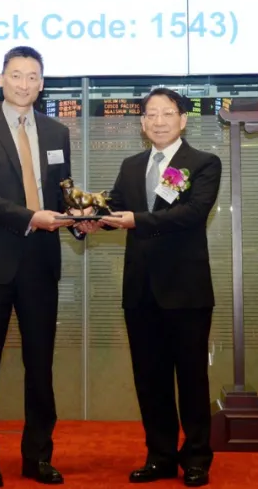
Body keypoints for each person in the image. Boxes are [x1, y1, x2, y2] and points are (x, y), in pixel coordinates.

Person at [81, 87, 221, 487]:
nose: (159, 121)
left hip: (186, 291)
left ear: (182, 119)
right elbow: (114, 208)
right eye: (151, 114)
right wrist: (89, 220)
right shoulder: (131, 166)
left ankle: (196, 457)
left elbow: (193, 213)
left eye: (167, 113)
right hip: (140, 291)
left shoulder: (203, 163)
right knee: (150, 379)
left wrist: (135, 221)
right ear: (142, 123)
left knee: (191, 378)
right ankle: (160, 456)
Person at [0, 46, 79, 487]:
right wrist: (31, 217)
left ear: (41, 84)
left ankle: (38, 456)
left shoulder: (56, 132)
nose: (24, 83)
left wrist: (78, 219)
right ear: (1, 79)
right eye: (16, 75)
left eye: (32, 77)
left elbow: (62, 191)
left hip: (41, 263)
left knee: (40, 366)